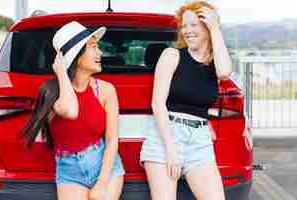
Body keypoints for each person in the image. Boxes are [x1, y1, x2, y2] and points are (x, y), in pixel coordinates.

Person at [140, 1, 232, 200]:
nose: (187, 31)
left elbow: (225, 72)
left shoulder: (214, 64)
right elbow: (157, 104)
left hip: (199, 140)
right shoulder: (172, 55)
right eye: (184, 26)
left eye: (193, 25)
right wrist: (171, 148)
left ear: (207, 26)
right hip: (167, 137)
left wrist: (216, 29)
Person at [23, 21, 124, 200]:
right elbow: (71, 111)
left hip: (103, 164)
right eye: (94, 47)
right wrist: (62, 72)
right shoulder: (51, 91)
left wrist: (101, 185)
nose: (100, 52)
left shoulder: (106, 90)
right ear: (76, 55)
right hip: (69, 171)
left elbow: (112, 140)